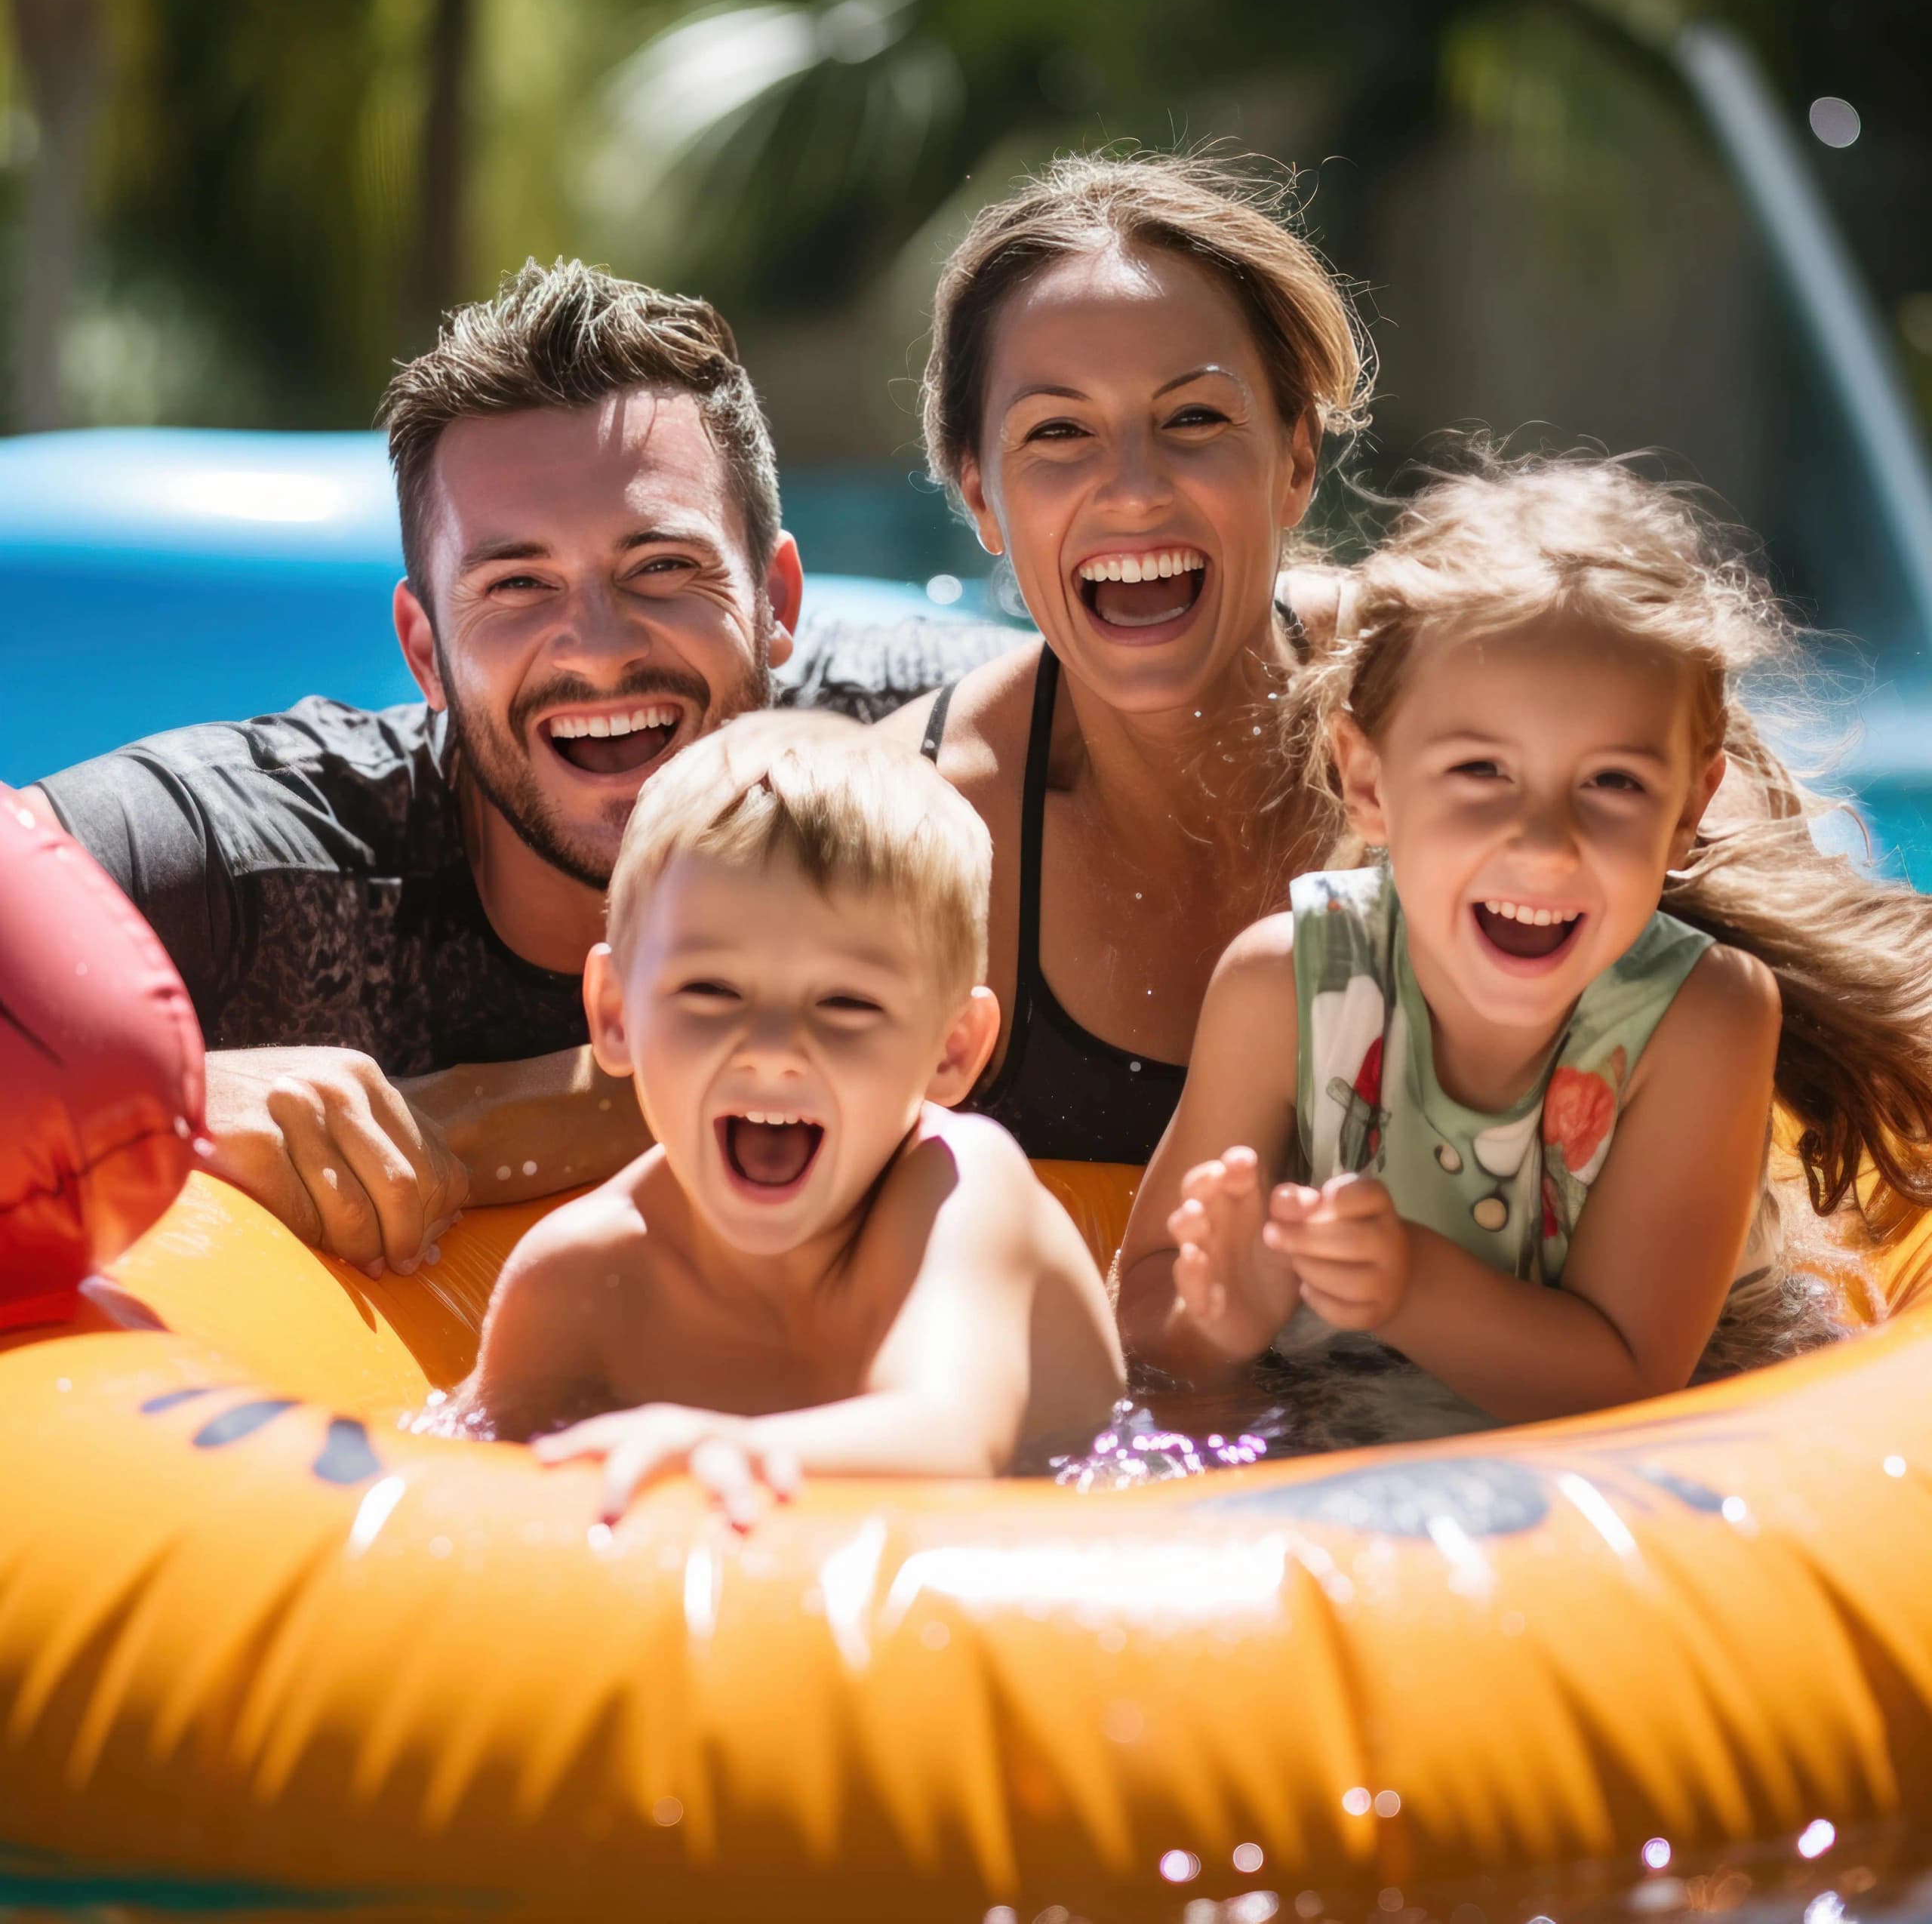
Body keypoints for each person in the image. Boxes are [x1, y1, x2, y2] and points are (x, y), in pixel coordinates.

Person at [1115, 454, 1932, 1432]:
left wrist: (1409, 1284)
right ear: (1369, 782)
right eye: (1481, 771)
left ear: (1688, 808)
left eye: (1613, 784)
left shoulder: (1703, 1018)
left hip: (1675, 1436)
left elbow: (1628, 1379)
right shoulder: (1284, 982)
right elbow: (1146, 1300)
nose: (1545, 842)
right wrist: (1222, 1318)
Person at [19, 261, 803, 1278]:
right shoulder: (265, 859)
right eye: (518, 585)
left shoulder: (907, 772)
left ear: (777, 603)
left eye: (661, 568)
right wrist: (167, 1093)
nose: (600, 649)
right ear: (424, 649)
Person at [443, 712, 1124, 1522]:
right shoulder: (577, 1279)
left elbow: (953, 1438)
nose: (772, 1049)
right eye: (712, 991)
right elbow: (472, 1499)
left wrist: (728, 1446)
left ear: (951, 1049)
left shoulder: (961, 1191)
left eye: (845, 1002)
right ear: (617, 1013)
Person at [879, 149, 1370, 1165]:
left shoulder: (1457, 692)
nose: (1135, 488)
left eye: (1194, 417)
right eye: (1059, 432)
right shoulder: (920, 827)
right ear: (980, 498)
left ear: (1296, 462)